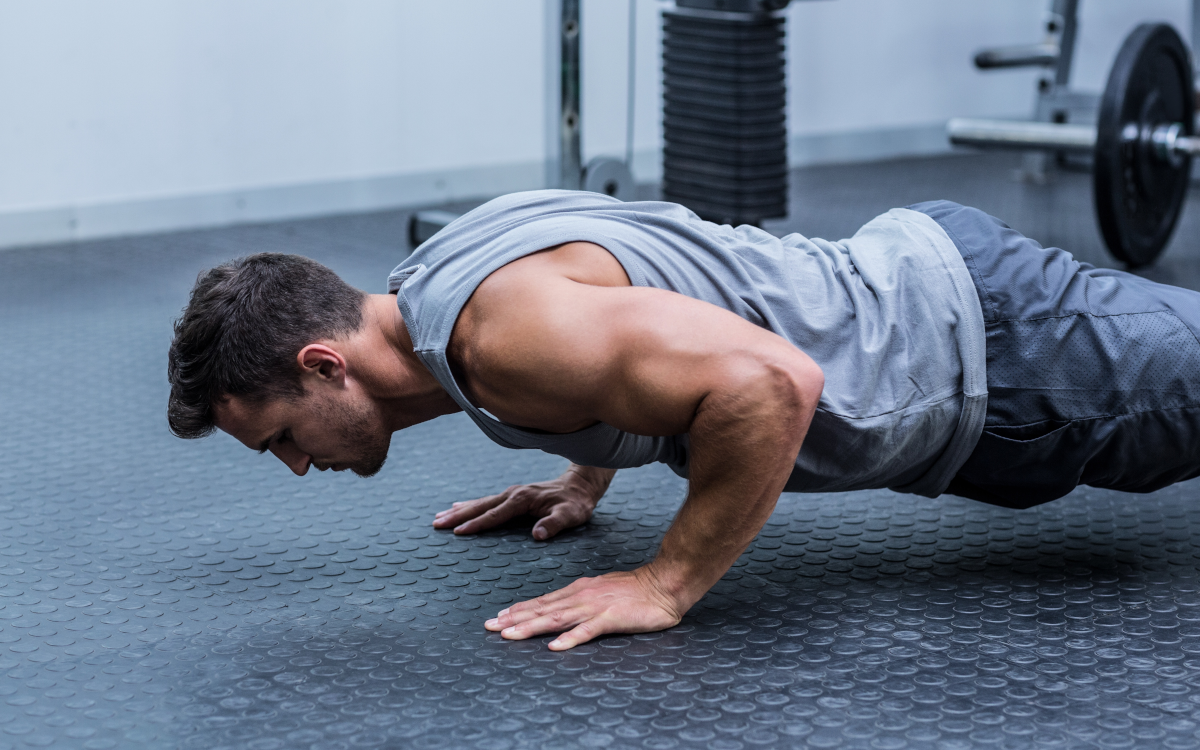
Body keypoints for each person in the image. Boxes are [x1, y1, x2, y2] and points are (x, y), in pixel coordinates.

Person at [166, 191, 1200, 650]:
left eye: (284, 439)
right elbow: (647, 286)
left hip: (997, 357)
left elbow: (770, 384)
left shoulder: (503, 341)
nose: (298, 467)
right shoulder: (444, 280)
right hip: (946, 292)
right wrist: (585, 466)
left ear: (324, 364)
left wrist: (666, 583)